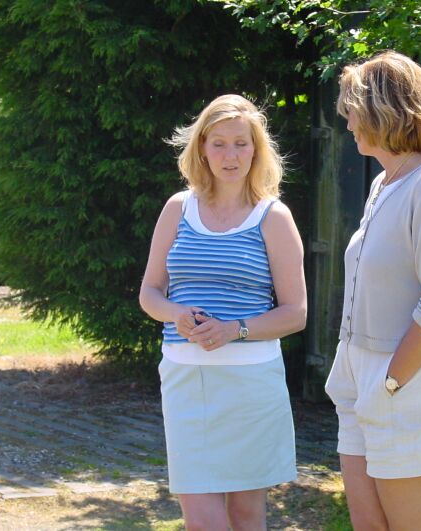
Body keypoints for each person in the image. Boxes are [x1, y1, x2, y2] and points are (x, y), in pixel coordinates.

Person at [139, 94, 306, 531]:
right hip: (185, 380)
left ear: (256, 150)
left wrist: (235, 329)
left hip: (251, 384)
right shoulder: (177, 208)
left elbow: (296, 313)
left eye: (240, 144)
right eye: (219, 144)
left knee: (246, 515)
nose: (230, 156)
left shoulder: (274, 217)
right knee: (201, 519)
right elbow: (150, 293)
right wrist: (175, 314)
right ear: (201, 148)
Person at [324, 51, 421, 531]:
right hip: (360, 383)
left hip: (407, 385)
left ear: (383, 110)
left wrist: (389, 383)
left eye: (353, 111)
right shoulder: (383, 185)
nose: (347, 123)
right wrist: (357, 380)